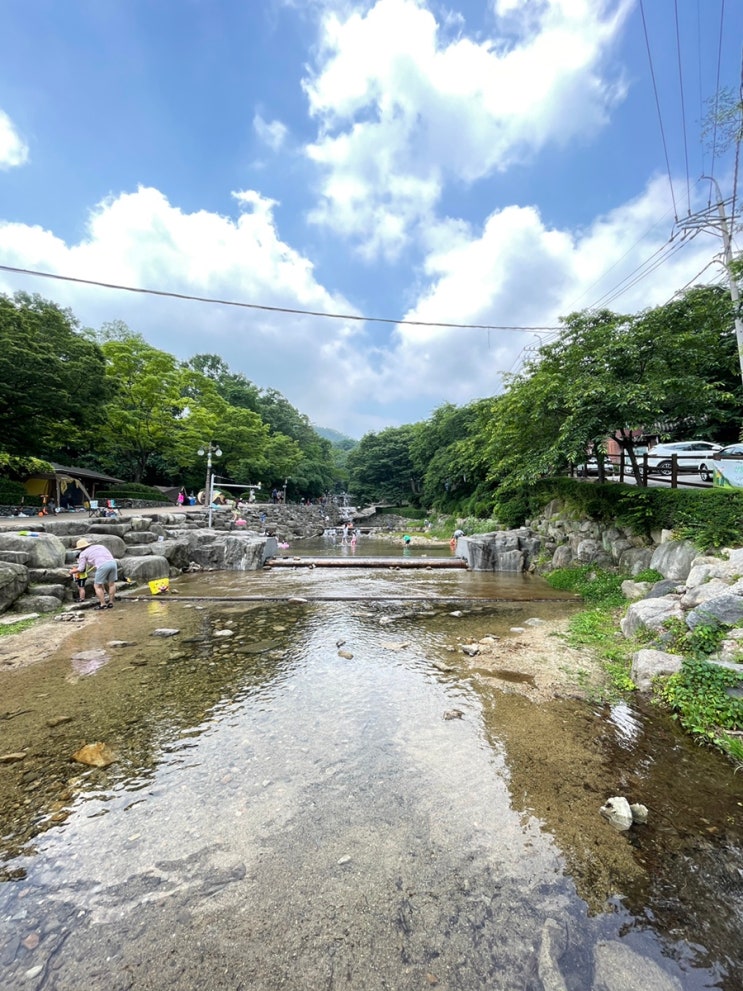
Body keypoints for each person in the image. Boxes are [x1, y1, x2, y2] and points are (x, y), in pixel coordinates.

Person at [75, 538, 118, 610]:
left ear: (80, 548)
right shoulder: (100, 546)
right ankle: (111, 602)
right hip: (113, 563)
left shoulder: (83, 553)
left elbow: (81, 569)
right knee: (111, 584)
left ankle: (103, 604)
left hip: (102, 566)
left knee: (97, 586)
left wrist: (72, 571)